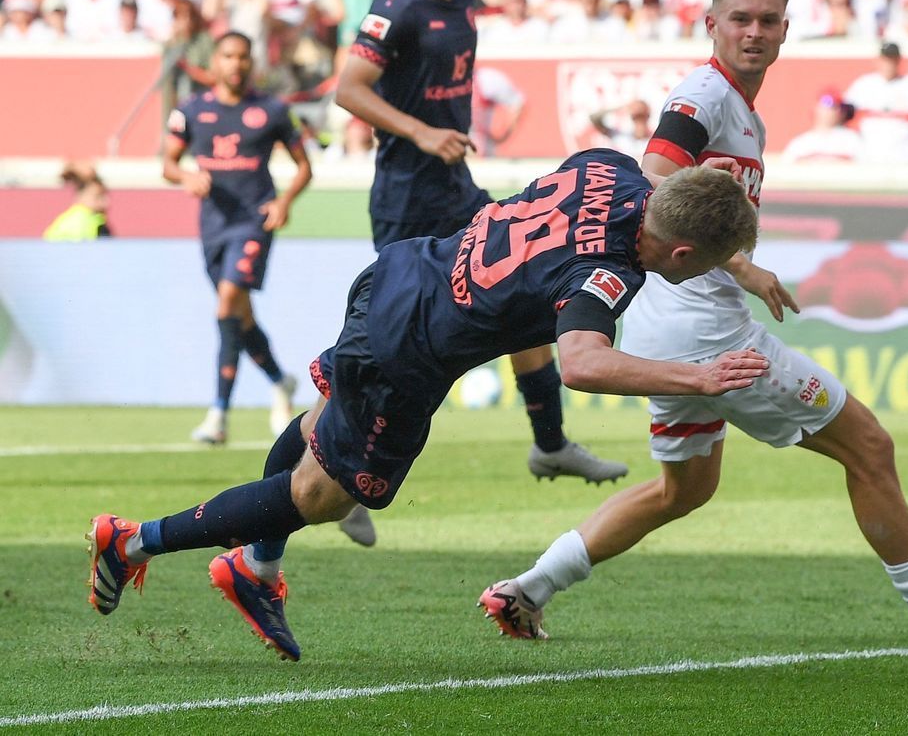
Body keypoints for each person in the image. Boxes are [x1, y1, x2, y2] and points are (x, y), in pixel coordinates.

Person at [479, 0, 908, 649]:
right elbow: (654, 176)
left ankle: (527, 589)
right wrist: (740, 261)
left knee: (682, 490)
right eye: (739, 19)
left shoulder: (742, 112)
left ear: (785, 30)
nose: (753, 32)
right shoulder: (703, 98)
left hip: (668, 328)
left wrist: (740, 266)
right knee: (869, 445)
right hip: (710, 338)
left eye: (767, 20)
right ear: (710, 24)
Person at [86, 152, 765, 662]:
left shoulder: (609, 166)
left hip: (402, 270)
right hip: (408, 349)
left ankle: (257, 567)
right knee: (329, 494)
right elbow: (583, 360)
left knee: (321, 427)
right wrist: (698, 377)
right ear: (680, 251)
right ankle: (135, 539)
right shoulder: (610, 273)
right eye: (706, 263)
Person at [334, 0, 627, 488]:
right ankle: (339, 467)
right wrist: (421, 132)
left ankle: (550, 443)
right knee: (390, 350)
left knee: (527, 301)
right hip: (407, 199)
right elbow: (348, 89)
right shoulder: (395, 9)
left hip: (456, 189)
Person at [163, 31, 311, 445]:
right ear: (214, 62)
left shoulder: (273, 110)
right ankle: (280, 380)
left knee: (228, 299)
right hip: (213, 226)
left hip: (253, 222)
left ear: (252, 62)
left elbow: (304, 166)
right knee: (238, 315)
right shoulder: (191, 110)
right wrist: (187, 175)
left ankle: (218, 416)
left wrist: (284, 202)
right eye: (228, 56)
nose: (236, 63)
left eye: (243, 56)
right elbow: (168, 164)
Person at [783, 88, 862, 162]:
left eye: (838, 107)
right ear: (816, 107)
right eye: (827, 103)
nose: (833, 110)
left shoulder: (851, 140)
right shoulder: (800, 143)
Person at [43, 162, 112, 241]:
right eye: (98, 196)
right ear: (81, 197)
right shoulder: (77, 222)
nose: (106, 202)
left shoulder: (96, 220)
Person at [587, 98, 653, 160]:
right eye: (636, 116)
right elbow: (594, 117)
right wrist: (623, 107)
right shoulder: (621, 137)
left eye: (642, 116)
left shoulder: (654, 139)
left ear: (648, 116)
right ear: (632, 117)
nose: (639, 120)